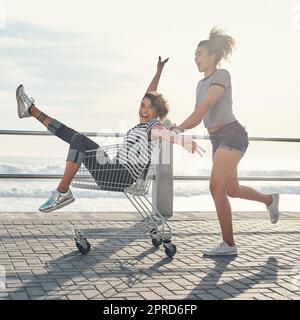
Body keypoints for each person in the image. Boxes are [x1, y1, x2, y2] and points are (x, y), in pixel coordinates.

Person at [16, 57, 204, 213]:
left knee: (78, 139)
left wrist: (182, 140)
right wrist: (158, 71)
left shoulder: (153, 127)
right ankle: (32, 110)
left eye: (150, 107)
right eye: (142, 105)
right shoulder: (143, 125)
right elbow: (149, 93)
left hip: (119, 175)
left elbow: (164, 133)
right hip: (112, 168)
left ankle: (62, 191)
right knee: (73, 136)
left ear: (157, 112)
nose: (144, 110)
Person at [171, 28, 280, 256]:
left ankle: (229, 245)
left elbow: (205, 107)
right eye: (194, 55)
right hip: (217, 139)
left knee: (215, 187)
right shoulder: (200, 84)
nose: (196, 59)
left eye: (200, 53)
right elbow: (198, 115)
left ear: (212, 55)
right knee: (232, 189)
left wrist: (180, 126)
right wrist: (177, 129)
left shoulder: (222, 75)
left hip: (232, 134)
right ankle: (269, 199)